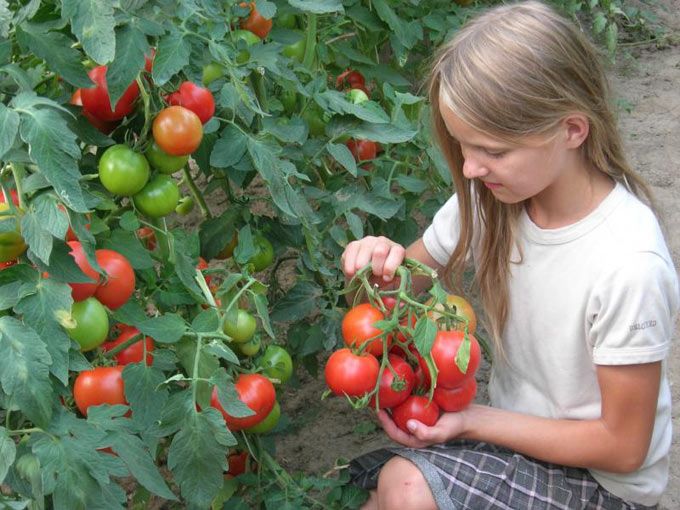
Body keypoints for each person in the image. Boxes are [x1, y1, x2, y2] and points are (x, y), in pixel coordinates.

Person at [340, 2, 679, 509]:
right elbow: (393, 296)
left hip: (603, 484)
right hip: (518, 441)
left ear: (571, 130)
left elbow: (624, 448)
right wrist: (379, 264)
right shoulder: (491, 202)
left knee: (407, 485)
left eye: (493, 151)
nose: (471, 169)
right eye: (463, 147)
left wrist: (474, 420)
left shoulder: (628, 265)